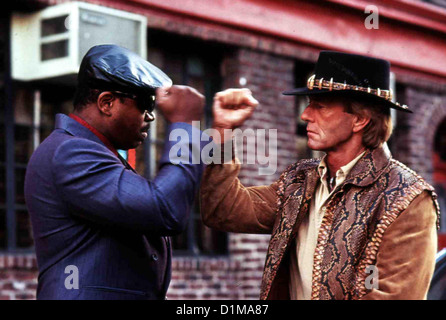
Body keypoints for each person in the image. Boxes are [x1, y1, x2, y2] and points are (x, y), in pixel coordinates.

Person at [200, 51, 440, 300]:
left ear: (359, 119)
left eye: (320, 106)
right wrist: (223, 130)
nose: (305, 115)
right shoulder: (300, 180)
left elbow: (395, 297)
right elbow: (222, 210)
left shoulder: (408, 197)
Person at [24, 44, 209, 300]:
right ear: (107, 102)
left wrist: (219, 130)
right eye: (145, 103)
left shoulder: (89, 150)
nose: (151, 116)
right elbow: (164, 208)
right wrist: (185, 126)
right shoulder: (71, 153)